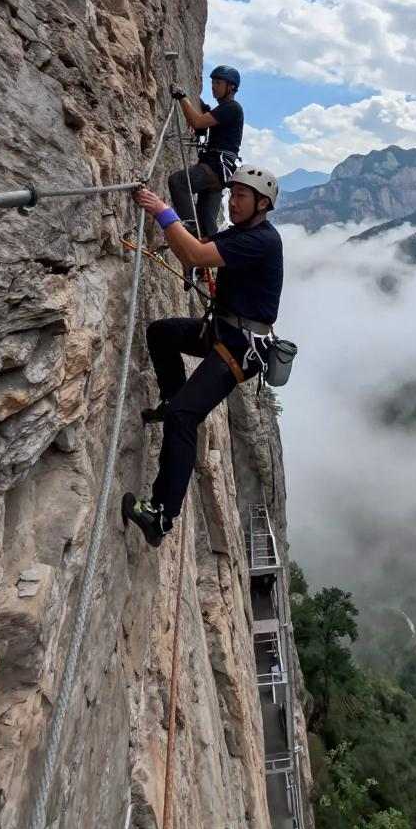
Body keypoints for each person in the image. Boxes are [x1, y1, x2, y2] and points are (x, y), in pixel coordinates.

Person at [122, 164, 282, 548]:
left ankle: (160, 516)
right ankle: (170, 396)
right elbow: (202, 248)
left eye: (241, 196)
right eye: (233, 193)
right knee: (160, 333)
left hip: (239, 349)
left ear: (262, 204)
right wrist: (174, 238)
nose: (233, 200)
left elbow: (194, 255)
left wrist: (161, 209)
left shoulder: (259, 240)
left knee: (184, 417)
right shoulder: (242, 233)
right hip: (222, 331)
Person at [168, 65, 244, 239]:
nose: (213, 86)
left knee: (178, 182)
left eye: (218, 82)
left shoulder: (231, 107)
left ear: (231, 87)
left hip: (215, 166)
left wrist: (182, 97)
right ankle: (205, 260)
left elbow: (198, 122)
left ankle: (190, 228)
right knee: (206, 222)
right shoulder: (225, 109)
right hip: (220, 173)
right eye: (213, 82)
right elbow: (207, 117)